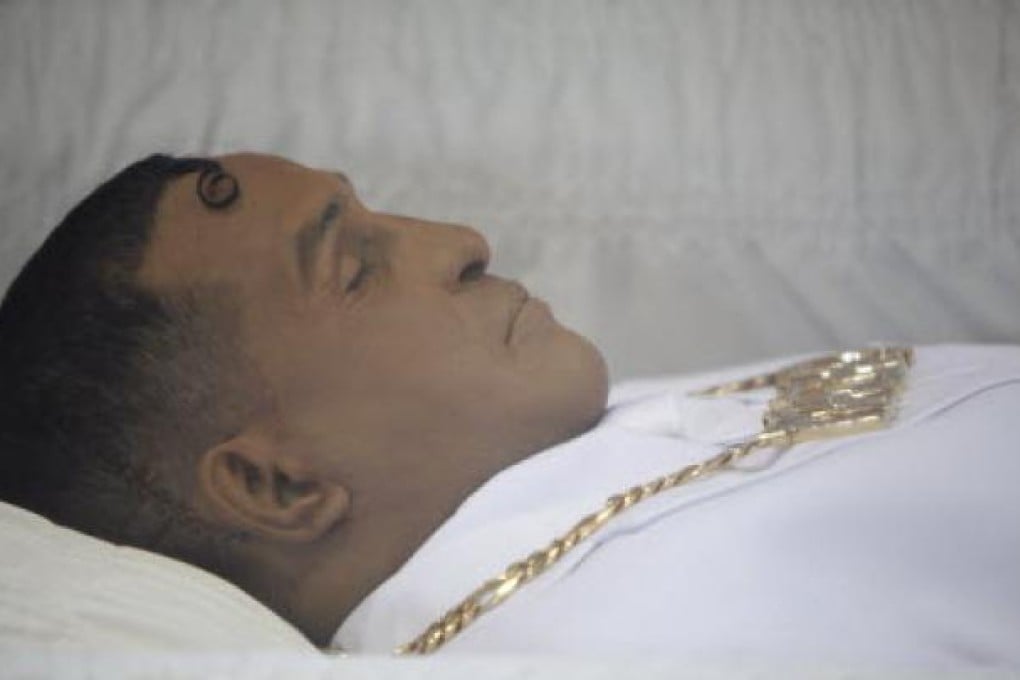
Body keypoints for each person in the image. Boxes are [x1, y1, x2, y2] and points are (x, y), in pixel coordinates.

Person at [1, 153, 1018, 666]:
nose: (459, 235)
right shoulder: (653, 645)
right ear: (279, 481)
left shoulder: (569, 439)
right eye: (356, 266)